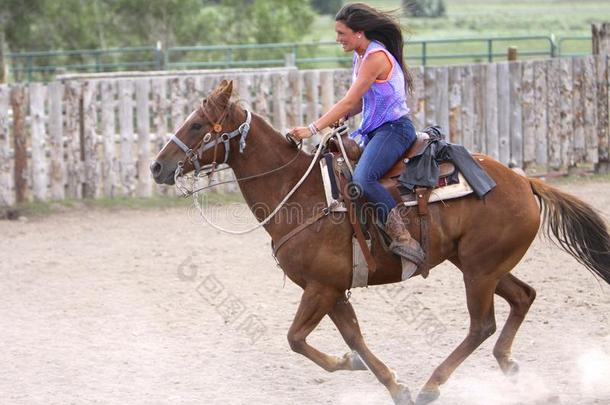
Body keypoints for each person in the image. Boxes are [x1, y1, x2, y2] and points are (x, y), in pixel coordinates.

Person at [289, 3, 424, 270]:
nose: (338, 39)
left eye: (342, 33)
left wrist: (312, 129)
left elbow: (349, 99)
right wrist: (345, 116)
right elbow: (361, 102)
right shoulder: (360, 56)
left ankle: (404, 238)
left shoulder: (375, 57)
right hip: (374, 131)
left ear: (359, 33)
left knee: (363, 179)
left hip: (394, 129)